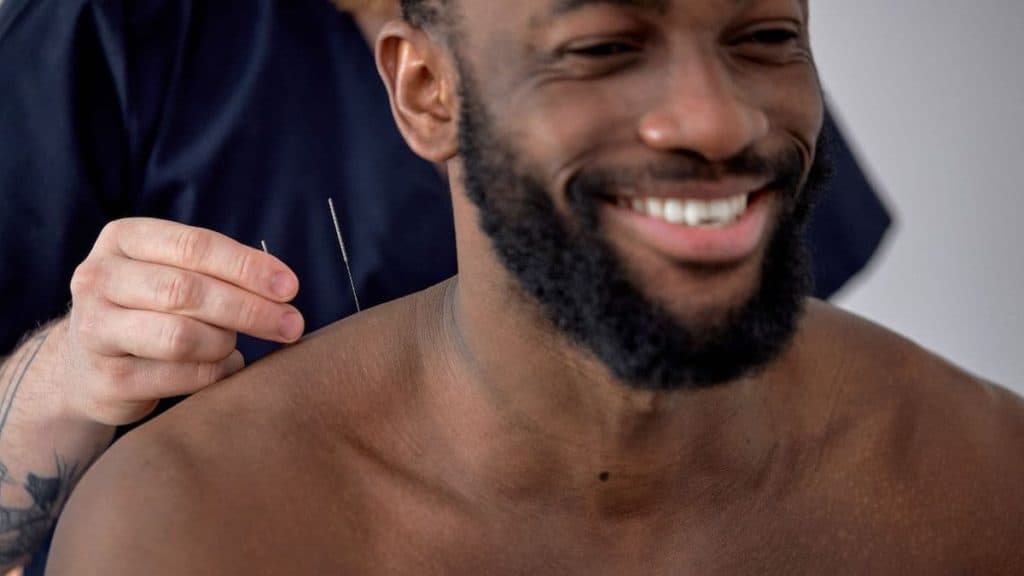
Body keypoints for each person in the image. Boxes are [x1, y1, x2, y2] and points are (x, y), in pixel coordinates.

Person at [46, 0, 1024, 573]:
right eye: (601, 47)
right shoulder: (196, 525)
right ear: (427, 91)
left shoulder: (979, 485)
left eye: (764, 37)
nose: (716, 122)